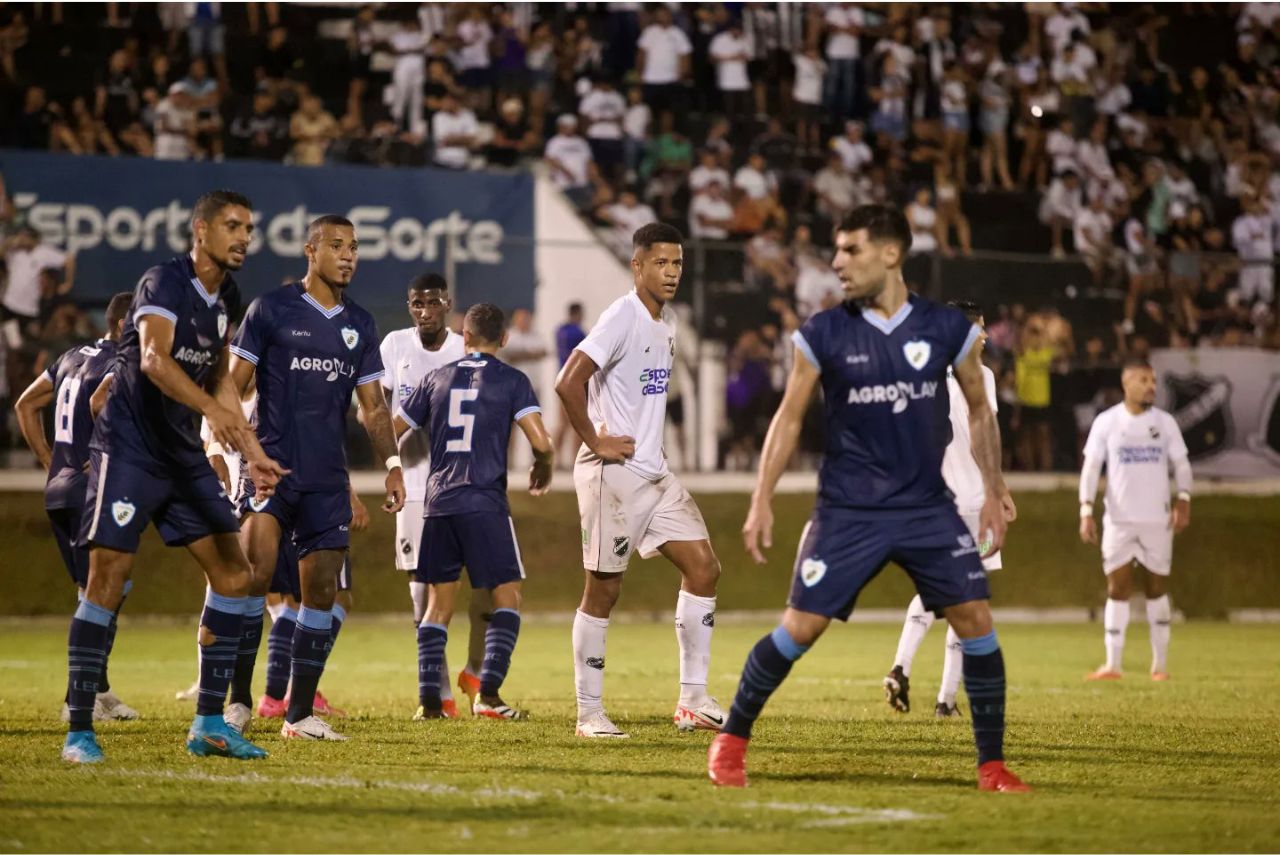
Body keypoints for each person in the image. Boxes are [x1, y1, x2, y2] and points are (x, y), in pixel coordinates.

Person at [709, 204, 1028, 793]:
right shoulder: (822, 332)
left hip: (928, 506)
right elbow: (787, 418)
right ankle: (731, 740)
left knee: (976, 622)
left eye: (851, 250)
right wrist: (761, 498)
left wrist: (994, 490)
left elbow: (982, 412)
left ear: (891, 253)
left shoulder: (947, 329)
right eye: (836, 250)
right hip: (849, 509)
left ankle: (991, 766)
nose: (837, 262)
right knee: (798, 629)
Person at [64, 190, 287, 764]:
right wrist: (213, 414)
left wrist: (252, 450)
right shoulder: (162, 282)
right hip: (131, 451)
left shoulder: (227, 294)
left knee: (236, 575)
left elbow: (219, 380)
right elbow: (155, 361)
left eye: (249, 229)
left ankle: (209, 724)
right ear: (201, 231)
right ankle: (80, 731)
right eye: (232, 226)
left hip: (183, 454)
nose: (243, 238)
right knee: (106, 580)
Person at [225, 214, 405, 742]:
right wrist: (248, 451)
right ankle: (236, 701)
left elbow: (373, 408)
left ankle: (299, 714)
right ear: (310, 250)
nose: (348, 255)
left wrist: (393, 467)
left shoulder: (361, 324)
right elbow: (232, 389)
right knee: (254, 578)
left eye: (354, 247)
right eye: (337, 245)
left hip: (327, 478)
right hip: (271, 472)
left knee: (321, 593)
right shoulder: (270, 310)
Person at [555, 222, 724, 739]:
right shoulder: (623, 316)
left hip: (654, 473)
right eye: (660, 263)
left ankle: (693, 701)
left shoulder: (666, 323)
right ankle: (589, 714)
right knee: (603, 590)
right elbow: (568, 381)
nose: (671, 272)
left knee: (704, 568)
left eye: (677, 263)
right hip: (615, 476)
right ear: (637, 265)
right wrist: (595, 441)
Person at [393, 302, 554, 721]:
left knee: (437, 606)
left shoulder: (435, 378)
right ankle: (489, 697)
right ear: (504, 339)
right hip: (483, 501)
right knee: (508, 596)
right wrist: (544, 466)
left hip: (439, 503)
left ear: (463, 336)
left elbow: (390, 429)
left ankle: (431, 704)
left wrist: (394, 470)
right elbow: (541, 441)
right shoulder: (512, 380)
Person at [883, 300, 1017, 717]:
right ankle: (944, 699)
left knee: (941, 590)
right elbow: (983, 437)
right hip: (973, 501)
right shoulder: (982, 377)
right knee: (968, 597)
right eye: (978, 328)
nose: (985, 336)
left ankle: (909, 672)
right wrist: (999, 487)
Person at [14, 291, 135, 722]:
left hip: (59, 492)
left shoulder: (69, 357)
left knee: (100, 591)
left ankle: (98, 687)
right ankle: (75, 699)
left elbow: (25, 404)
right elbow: (100, 406)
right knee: (103, 593)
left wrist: (50, 461)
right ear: (124, 324)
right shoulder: (121, 363)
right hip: (91, 491)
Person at [379, 273, 490, 717]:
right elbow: (376, 413)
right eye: (416, 304)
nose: (424, 311)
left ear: (448, 303)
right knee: (421, 595)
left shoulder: (462, 349)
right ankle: (437, 693)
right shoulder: (394, 346)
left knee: (488, 585)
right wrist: (391, 469)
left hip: (463, 485)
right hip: (414, 483)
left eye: (432, 303)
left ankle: (478, 673)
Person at [1079, 359, 1191, 682]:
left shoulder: (1165, 423)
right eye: (1144, 380)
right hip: (1119, 520)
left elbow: (1181, 465)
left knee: (1157, 589)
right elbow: (1091, 468)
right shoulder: (1107, 422)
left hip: (1157, 519)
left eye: (1153, 380)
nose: (1151, 386)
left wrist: (1183, 498)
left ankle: (1160, 666)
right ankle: (1112, 665)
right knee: (1117, 587)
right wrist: (1085, 509)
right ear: (1127, 384)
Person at [553, 303, 587, 464]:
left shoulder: (560, 330)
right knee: (578, 421)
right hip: (574, 380)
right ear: (578, 313)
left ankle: (556, 457)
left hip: (561, 378)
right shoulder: (578, 332)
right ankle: (575, 458)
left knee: (563, 422)